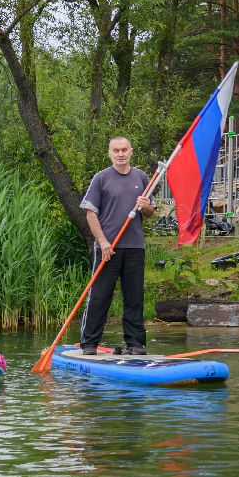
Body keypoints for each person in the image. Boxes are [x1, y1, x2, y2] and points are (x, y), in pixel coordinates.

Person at [78, 136, 155, 355]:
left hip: (134, 247)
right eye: (115, 150)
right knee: (100, 296)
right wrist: (102, 242)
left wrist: (146, 205)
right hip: (108, 248)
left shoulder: (141, 177)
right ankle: (89, 344)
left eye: (124, 150)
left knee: (134, 296)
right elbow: (90, 213)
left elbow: (150, 213)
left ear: (131, 151)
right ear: (109, 153)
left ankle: (136, 344)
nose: (120, 154)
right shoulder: (101, 178)